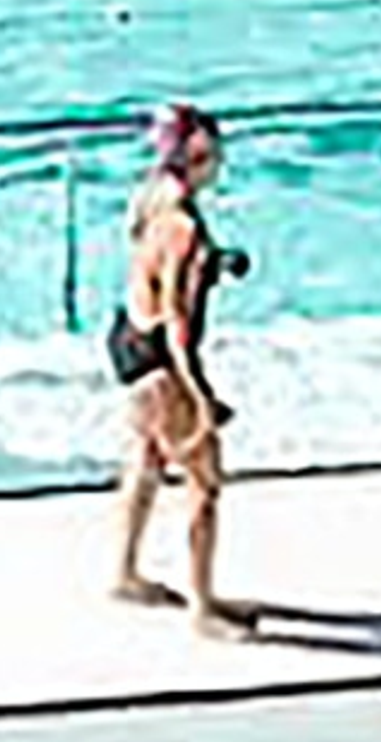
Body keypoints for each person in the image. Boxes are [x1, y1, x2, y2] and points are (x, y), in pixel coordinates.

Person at [107, 102, 252, 639]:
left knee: (145, 463)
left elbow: (147, 259)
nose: (220, 161)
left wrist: (212, 265)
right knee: (204, 481)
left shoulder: (151, 195)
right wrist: (202, 398)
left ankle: (125, 574)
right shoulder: (185, 228)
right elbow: (180, 328)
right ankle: (203, 609)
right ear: (196, 155)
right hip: (162, 359)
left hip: (127, 338)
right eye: (214, 152)